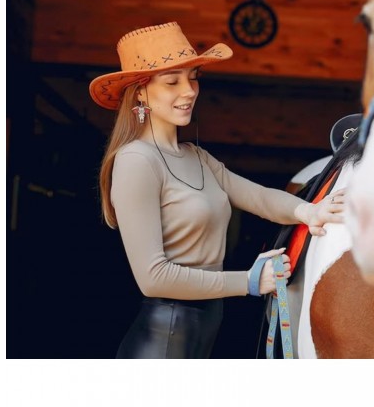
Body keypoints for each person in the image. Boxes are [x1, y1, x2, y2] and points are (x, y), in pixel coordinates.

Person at [89, 21, 345, 359]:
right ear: (140, 92)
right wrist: (250, 282)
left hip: (201, 333)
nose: (189, 90)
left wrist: (309, 211)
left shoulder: (196, 156)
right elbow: (153, 278)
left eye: (193, 77)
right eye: (172, 82)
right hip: (163, 342)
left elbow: (257, 196)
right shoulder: (135, 160)